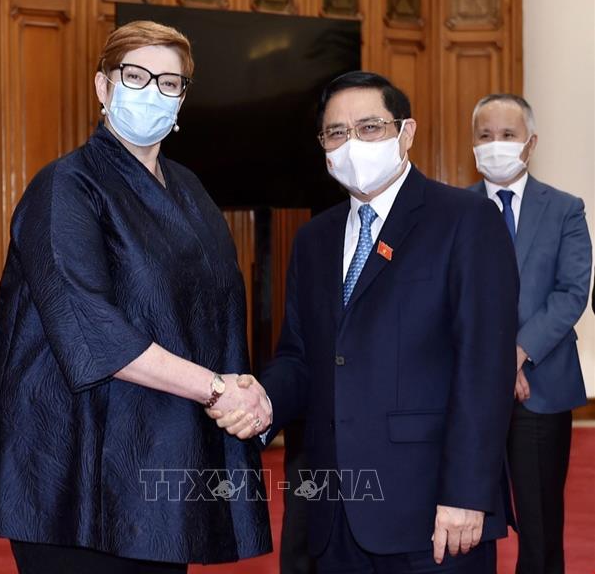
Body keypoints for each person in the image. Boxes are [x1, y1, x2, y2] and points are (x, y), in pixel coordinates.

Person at [0, 20, 272, 573]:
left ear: (182, 100)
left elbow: (218, 314)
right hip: (72, 469)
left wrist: (244, 394)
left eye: (168, 83)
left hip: (163, 453)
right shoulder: (65, 186)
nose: (152, 92)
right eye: (135, 76)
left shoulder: (190, 190)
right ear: (103, 86)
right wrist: (216, 389)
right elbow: (90, 328)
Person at [210, 71, 519, 573]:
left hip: (433, 514)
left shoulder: (465, 220)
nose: (352, 143)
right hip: (333, 513)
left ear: (406, 132)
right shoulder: (314, 240)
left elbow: (485, 369)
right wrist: (263, 400)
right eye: (336, 132)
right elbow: (300, 356)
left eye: (370, 127)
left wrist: (467, 494)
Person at [469, 93, 592, 574]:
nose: (495, 144)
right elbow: (447, 297)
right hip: (469, 390)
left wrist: (517, 354)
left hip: (541, 387)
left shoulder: (565, 209)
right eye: (485, 135)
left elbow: (571, 292)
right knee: (465, 521)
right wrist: (495, 361)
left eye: (507, 134)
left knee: (540, 528)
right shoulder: (453, 210)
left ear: (531, 143)